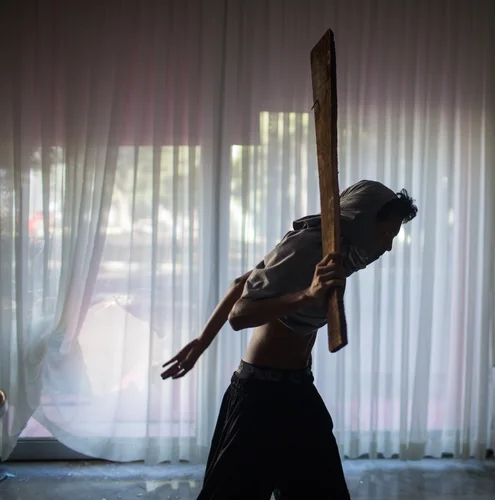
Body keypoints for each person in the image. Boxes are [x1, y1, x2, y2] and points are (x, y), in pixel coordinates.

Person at [161, 180, 418, 499]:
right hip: (259, 394)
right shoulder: (308, 246)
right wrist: (307, 295)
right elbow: (241, 313)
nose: (387, 247)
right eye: (386, 235)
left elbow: (243, 281)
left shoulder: (335, 254)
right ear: (362, 219)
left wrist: (201, 342)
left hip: (296, 389)